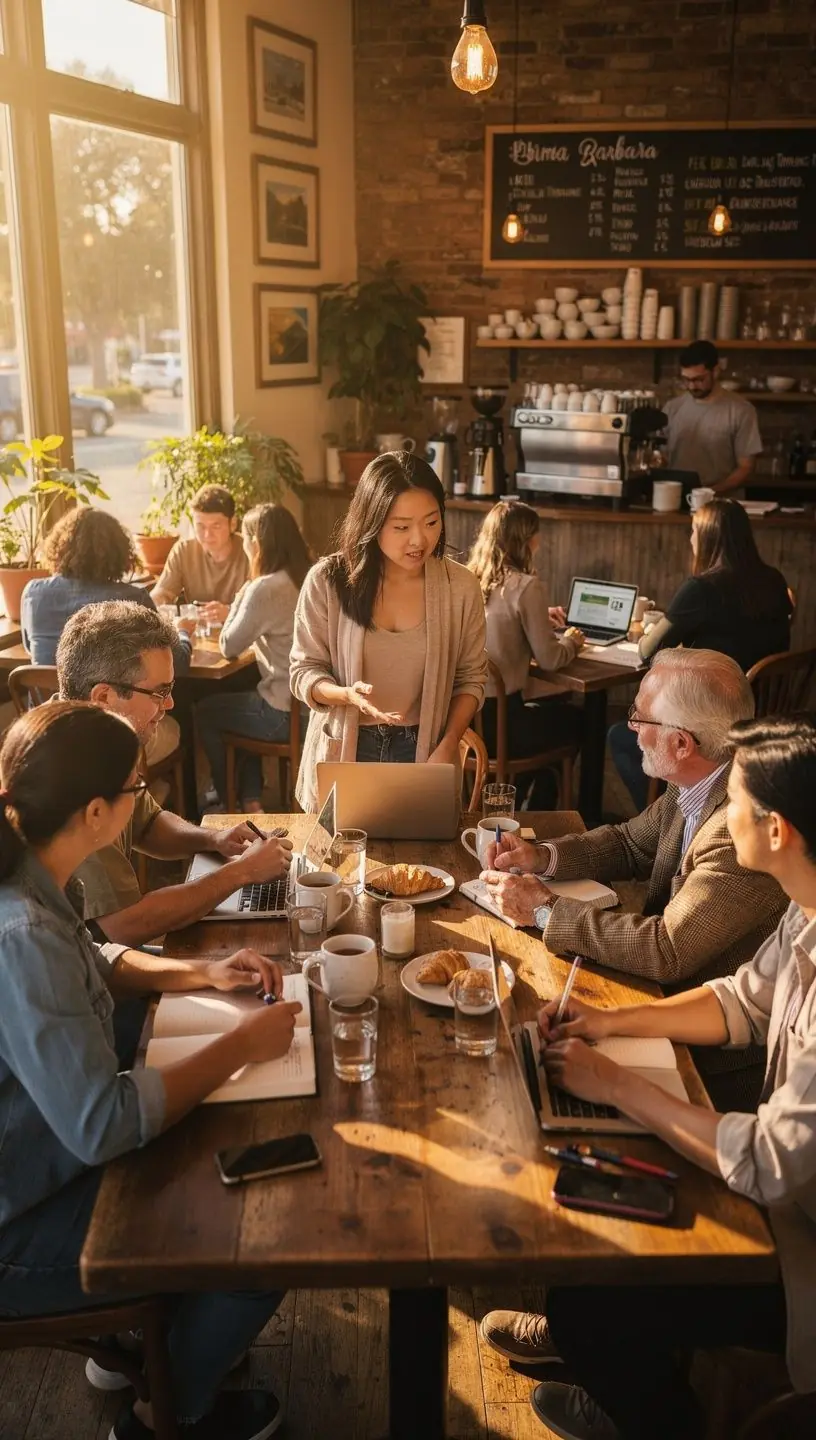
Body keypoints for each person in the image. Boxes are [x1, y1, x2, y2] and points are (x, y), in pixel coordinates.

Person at [480, 713, 816, 1440]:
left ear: (779, 829)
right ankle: (621, 1381)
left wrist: (620, 1085)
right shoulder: (804, 906)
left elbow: (770, 1163)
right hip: (783, 1198)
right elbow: (740, 1002)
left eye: (736, 801)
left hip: (799, 1250)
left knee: (591, 1300)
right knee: (587, 1220)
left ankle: (656, 1417)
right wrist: (608, 1025)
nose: (722, 814)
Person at [0, 700, 299, 1440]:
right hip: (18, 1230)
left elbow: (94, 960)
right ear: (97, 811)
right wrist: (241, 1045)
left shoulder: (31, 876)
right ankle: (161, 1414)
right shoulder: (21, 934)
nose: (145, 801)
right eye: (138, 788)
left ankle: (141, 1342)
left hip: (40, 1160)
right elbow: (106, 1122)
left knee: (215, 1146)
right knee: (259, 1241)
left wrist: (202, 973)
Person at [482, 648, 787, 1111]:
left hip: (710, 1064)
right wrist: (542, 856)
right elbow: (629, 843)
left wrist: (544, 910)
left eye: (639, 717)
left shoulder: (739, 824)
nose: (631, 729)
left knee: (517, 1073)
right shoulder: (695, 780)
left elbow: (666, 949)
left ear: (682, 743)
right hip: (661, 1007)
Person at [55, 601, 292, 946]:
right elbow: (124, 925)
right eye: (160, 692)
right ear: (104, 696)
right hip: (82, 980)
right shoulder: (69, 773)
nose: (169, 705)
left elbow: (147, 823)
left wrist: (213, 839)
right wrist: (241, 872)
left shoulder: (102, 733)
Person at [290, 451, 487, 812]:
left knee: (423, 867)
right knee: (341, 860)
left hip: (424, 748)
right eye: (401, 527)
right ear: (371, 522)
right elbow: (305, 670)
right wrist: (346, 694)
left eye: (431, 522)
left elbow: (471, 678)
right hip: (349, 746)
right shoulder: (328, 581)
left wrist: (449, 743)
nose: (419, 540)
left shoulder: (461, 587)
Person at [610, 498, 792, 810]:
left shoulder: (702, 588)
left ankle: (665, 819)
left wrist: (652, 626)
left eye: (694, 531)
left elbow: (647, 649)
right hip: (765, 715)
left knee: (621, 737)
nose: (691, 539)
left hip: (711, 723)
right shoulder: (774, 580)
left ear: (707, 537)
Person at [467, 499, 584, 808]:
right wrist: (572, 640)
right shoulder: (526, 586)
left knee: (548, 717)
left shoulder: (470, 579)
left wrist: (538, 617)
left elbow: (498, 620)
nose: (539, 541)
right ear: (526, 540)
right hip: (505, 727)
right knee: (576, 721)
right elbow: (550, 659)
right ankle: (539, 815)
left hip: (466, 724)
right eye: (536, 533)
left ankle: (519, 807)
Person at [196, 503, 310, 812]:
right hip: (314, 710)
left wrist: (243, 592)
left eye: (244, 539)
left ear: (255, 544)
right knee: (241, 703)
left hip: (283, 716)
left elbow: (228, 645)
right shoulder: (309, 577)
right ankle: (252, 801)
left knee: (207, 712)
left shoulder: (264, 588)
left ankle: (227, 800)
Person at [664, 339, 762, 495]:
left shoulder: (741, 410)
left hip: (722, 502)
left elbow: (746, 467)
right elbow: (661, 456)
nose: (691, 386)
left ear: (716, 371)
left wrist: (710, 492)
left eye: (698, 379)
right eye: (686, 379)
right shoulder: (672, 408)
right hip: (676, 498)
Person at [151, 484, 249, 622]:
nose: (207, 535)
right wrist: (158, 601)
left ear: (232, 524)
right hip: (198, 634)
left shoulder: (250, 551)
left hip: (242, 634)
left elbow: (264, 605)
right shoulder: (184, 551)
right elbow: (162, 592)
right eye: (200, 526)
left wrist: (230, 612)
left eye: (216, 526)